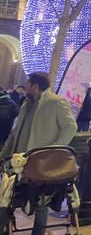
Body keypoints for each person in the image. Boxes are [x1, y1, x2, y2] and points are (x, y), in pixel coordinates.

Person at [0, 72, 77, 235]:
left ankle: (38, 232)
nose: (25, 86)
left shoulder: (56, 102)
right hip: (18, 160)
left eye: (28, 83)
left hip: (41, 164)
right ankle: (5, 226)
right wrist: (4, 153)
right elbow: (15, 132)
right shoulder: (27, 103)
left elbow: (70, 127)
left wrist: (54, 151)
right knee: (7, 195)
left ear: (34, 86)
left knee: (42, 200)